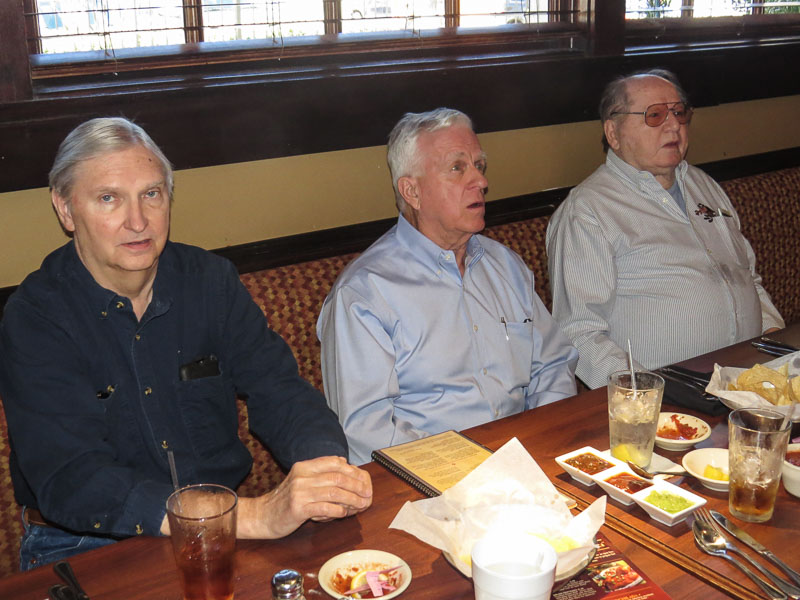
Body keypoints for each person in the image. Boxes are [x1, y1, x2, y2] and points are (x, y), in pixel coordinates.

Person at [0, 117, 372, 570]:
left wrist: (326, 472)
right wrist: (250, 515)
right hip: (86, 545)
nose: (137, 221)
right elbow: (74, 479)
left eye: (151, 194)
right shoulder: (36, 316)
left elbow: (280, 390)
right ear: (64, 210)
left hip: (225, 534)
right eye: (109, 198)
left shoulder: (210, 282)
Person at [317, 107, 578, 465]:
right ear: (412, 191)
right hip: (431, 488)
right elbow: (365, 432)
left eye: (479, 166)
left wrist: (547, 440)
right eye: (458, 168)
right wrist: (468, 476)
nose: (481, 182)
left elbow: (553, 364)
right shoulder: (365, 294)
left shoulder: (505, 266)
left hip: (531, 459)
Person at [546, 69, 784, 389]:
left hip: (751, 381)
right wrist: (645, 395)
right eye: (655, 115)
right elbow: (578, 333)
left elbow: (747, 277)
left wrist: (775, 344)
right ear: (613, 134)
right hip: (670, 397)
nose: (674, 125)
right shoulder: (588, 212)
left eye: (679, 112)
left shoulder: (704, 185)